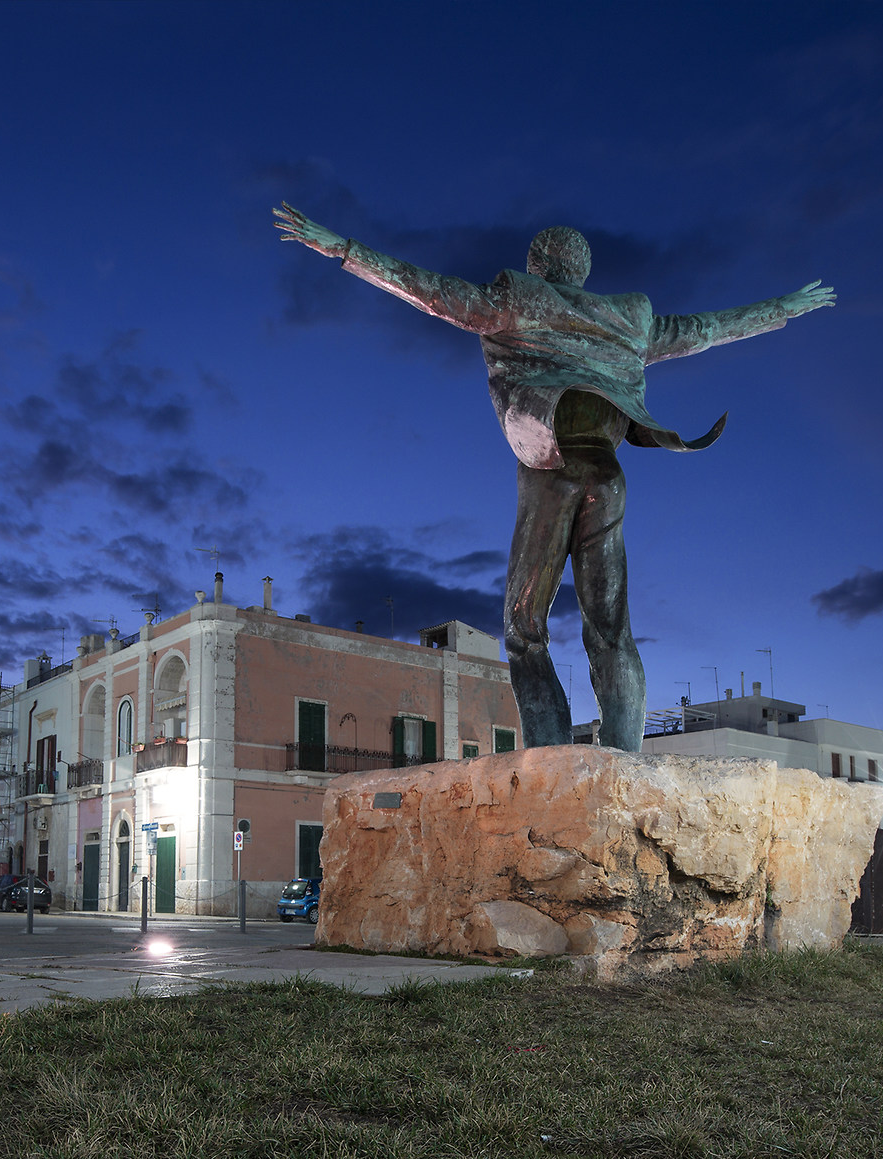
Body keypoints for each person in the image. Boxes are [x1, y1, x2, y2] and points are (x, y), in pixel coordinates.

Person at [275, 204, 834, 750]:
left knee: (523, 627)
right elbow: (711, 328)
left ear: (537, 265)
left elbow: (426, 289)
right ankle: (622, 759)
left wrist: (339, 246)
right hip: (608, 475)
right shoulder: (631, 321)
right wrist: (784, 305)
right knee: (611, 629)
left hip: (551, 470)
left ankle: (548, 756)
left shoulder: (516, 301)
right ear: (583, 272)